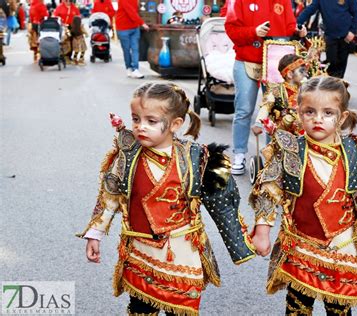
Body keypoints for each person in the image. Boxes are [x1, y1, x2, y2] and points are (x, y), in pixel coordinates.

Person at [78, 82, 256, 315]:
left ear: (175, 124)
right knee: (140, 308)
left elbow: (224, 204)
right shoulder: (128, 155)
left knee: (180, 310)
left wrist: (247, 241)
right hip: (140, 253)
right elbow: (110, 194)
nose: (140, 127)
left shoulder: (198, 158)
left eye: (151, 121)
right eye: (135, 119)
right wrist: (95, 234)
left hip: (183, 253)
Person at [250, 76, 357, 316]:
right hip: (301, 244)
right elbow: (268, 190)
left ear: (342, 117)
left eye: (328, 113)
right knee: (297, 308)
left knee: (339, 308)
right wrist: (262, 231)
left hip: (342, 246)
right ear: (298, 113)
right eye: (310, 112)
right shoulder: (290, 150)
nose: (318, 119)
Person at [225, 0, 307, 175]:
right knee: (244, 109)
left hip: (275, 62)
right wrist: (254, 32)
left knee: (275, 111)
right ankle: (239, 154)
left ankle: (273, 155)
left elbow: (290, 28)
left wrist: (298, 32)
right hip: (247, 61)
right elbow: (231, 30)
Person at [297, 0, 357, 78]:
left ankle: (338, 84)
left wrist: (352, 31)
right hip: (330, 35)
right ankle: (332, 83)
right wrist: (297, 23)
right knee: (332, 62)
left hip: (345, 36)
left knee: (341, 65)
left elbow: (356, 13)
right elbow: (309, 10)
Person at [253, 54, 309, 137]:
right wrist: (258, 124)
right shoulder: (276, 90)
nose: (306, 74)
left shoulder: (306, 89)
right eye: (301, 71)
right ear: (290, 74)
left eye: (305, 71)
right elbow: (266, 107)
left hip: (305, 134)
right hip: (283, 135)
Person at [116, 0, 149, 79]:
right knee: (126, 50)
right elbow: (130, 11)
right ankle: (129, 68)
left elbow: (138, 10)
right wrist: (142, 23)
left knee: (135, 49)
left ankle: (135, 69)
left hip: (134, 27)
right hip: (123, 28)